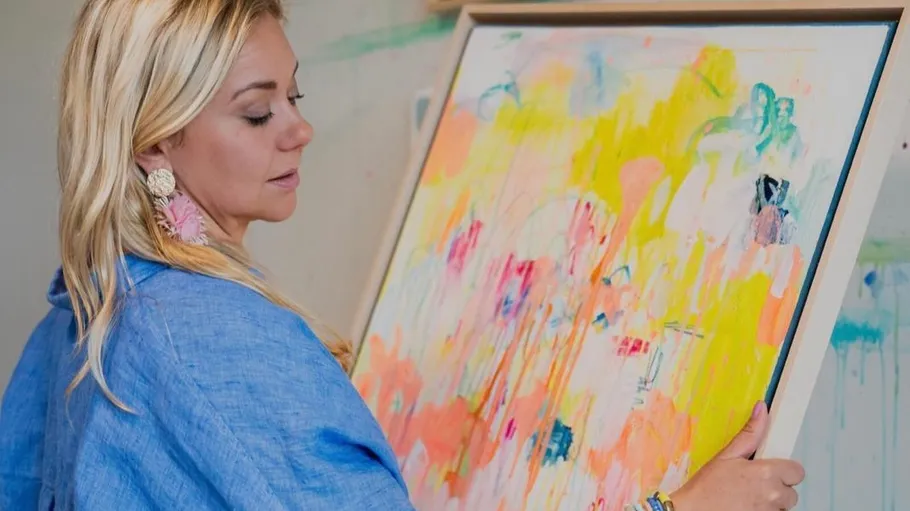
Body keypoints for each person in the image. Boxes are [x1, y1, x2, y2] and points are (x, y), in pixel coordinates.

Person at [0, 0, 805, 509]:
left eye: (295, 96)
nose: (298, 129)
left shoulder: (85, 307)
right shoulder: (213, 338)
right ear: (153, 143)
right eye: (256, 113)